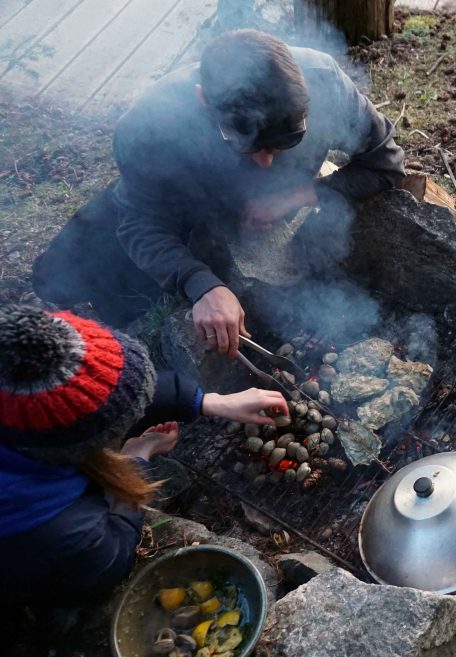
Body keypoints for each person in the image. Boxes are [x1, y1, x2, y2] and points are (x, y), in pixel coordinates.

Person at [31, 29, 405, 355]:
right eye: (250, 146)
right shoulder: (149, 128)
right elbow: (141, 225)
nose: (265, 164)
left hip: (241, 213)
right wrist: (201, 285)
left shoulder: (325, 82)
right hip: (179, 201)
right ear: (202, 99)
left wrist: (301, 192)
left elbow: (386, 163)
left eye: (281, 146)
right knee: (57, 281)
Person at [0, 305, 289, 605]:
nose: (135, 412)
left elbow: (111, 395)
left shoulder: (19, 410)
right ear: (81, 446)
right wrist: (137, 457)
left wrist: (209, 402)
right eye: (120, 422)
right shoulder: (55, 526)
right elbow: (110, 559)